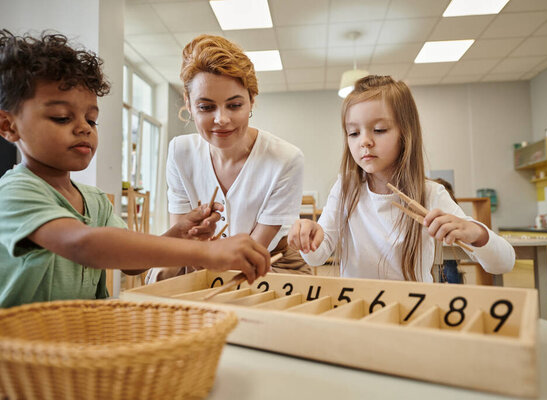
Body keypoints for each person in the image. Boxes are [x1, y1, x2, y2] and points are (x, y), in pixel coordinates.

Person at [0, 30, 270, 315]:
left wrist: (180, 234)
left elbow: (131, 263)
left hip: (75, 349)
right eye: (62, 117)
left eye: (91, 120)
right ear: (7, 125)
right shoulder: (14, 193)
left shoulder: (94, 200)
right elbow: (83, 245)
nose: (83, 128)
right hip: (12, 357)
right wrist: (208, 254)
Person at [287, 75, 515, 281]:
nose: (364, 141)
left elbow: (504, 263)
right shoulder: (346, 188)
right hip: (359, 310)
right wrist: (310, 238)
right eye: (354, 133)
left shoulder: (430, 193)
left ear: (406, 134)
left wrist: (476, 232)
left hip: (413, 309)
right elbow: (317, 257)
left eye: (379, 130)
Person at [147, 34, 309, 283]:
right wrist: (197, 246)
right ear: (189, 105)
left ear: (251, 101)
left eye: (234, 105)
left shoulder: (286, 159)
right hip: (200, 257)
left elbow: (252, 254)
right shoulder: (180, 151)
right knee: (158, 276)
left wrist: (205, 254)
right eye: (206, 107)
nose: (221, 119)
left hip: (267, 261)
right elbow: (181, 242)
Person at [431, 178, 463, 284]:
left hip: (447, 243)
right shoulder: (448, 200)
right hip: (445, 244)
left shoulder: (443, 199)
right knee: (450, 268)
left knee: (449, 268)